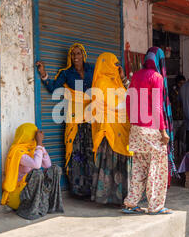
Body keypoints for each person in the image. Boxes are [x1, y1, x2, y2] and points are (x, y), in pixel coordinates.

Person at [36, 43, 127, 200]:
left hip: (93, 114)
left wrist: (120, 75)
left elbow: (108, 83)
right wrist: (43, 74)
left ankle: (94, 187)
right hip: (76, 116)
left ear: (83, 55)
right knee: (77, 150)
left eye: (78, 53)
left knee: (93, 149)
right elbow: (54, 88)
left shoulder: (93, 69)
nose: (76, 57)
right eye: (73, 54)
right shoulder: (66, 73)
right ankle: (79, 189)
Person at [123, 47, 175, 215]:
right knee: (157, 168)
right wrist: (163, 131)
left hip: (136, 128)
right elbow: (158, 106)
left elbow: (129, 99)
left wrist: (133, 124)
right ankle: (155, 206)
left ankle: (131, 203)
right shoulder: (157, 77)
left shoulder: (137, 75)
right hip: (151, 128)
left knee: (139, 166)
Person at [90, 52, 132, 205]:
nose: (117, 66)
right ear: (106, 63)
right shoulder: (101, 82)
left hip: (120, 126)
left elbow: (129, 96)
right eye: (114, 63)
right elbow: (113, 104)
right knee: (110, 163)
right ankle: (108, 196)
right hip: (108, 129)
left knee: (120, 161)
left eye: (117, 63)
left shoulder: (116, 81)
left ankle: (122, 196)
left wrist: (122, 77)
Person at [1, 123, 64, 220]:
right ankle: (30, 209)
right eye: (34, 136)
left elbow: (48, 165)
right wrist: (39, 144)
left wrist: (41, 146)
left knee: (55, 169)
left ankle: (52, 205)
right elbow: (37, 165)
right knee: (37, 173)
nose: (36, 138)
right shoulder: (18, 152)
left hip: (32, 190)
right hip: (19, 193)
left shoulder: (32, 148)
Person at [169, 75, 186, 164]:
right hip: (174, 119)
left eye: (183, 83)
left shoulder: (186, 92)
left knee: (183, 140)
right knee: (173, 139)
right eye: (180, 83)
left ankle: (182, 158)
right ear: (177, 83)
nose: (182, 85)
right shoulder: (172, 92)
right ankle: (172, 158)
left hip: (183, 118)